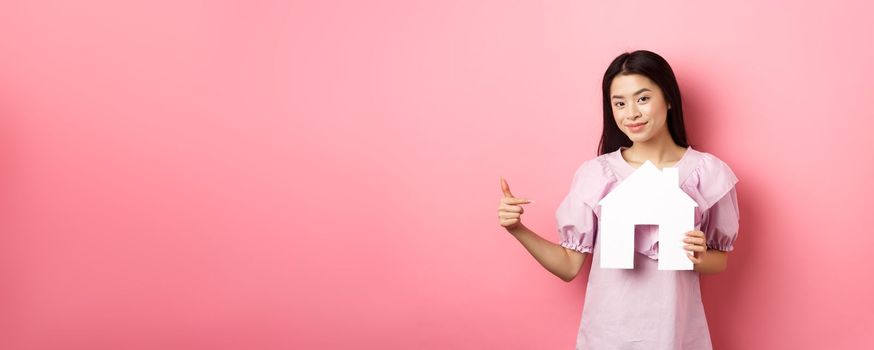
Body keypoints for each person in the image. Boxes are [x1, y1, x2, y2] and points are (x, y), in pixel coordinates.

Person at [497, 49, 740, 349]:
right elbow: (569, 266)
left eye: (642, 98)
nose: (631, 113)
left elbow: (720, 260)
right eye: (619, 103)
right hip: (607, 336)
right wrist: (517, 229)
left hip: (674, 335)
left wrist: (700, 257)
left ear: (668, 99)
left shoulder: (708, 173)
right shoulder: (597, 174)